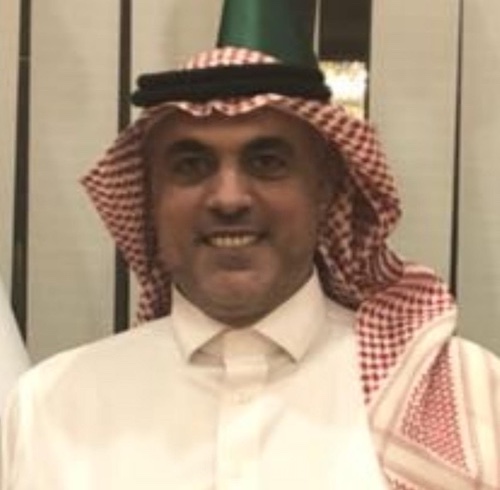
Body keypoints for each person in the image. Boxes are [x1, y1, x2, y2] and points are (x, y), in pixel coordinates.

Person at [2, 1, 500, 488]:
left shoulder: (462, 394)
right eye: (191, 165)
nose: (228, 198)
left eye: (267, 162)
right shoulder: (54, 406)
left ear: (324, 189)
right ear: (150, 194)